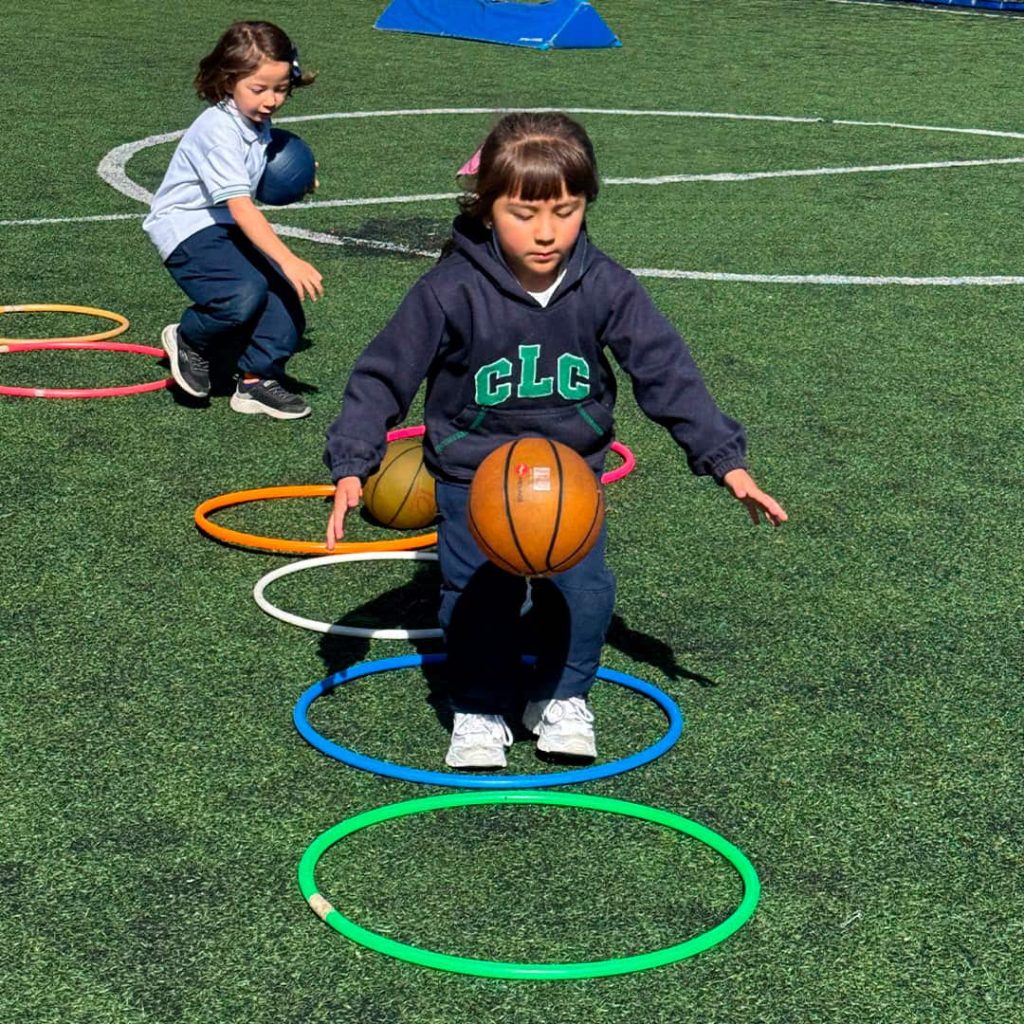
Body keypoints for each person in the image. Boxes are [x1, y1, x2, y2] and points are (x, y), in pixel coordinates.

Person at [322, 112, 787, 769]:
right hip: (473, 476)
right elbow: (381, 377)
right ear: (486, 210)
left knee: (584, 590)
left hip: (571, 476)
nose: (546, 232)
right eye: (523, 213)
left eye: (565, 211)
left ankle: (562, 697)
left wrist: (725, 461)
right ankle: (480, 708)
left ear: (585, 206)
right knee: (477, 595)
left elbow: (666, 371)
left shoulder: (606, 287)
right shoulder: (449, 290)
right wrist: (353, 463)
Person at [143, 20, 323, 420]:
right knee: (242, 293)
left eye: (280, 89)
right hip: (187, 225)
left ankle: (256, 381)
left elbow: (252, 182)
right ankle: (189, 338)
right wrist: (289, 259)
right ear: (227, 82)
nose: (272, 100)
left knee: (283, 301)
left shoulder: (257, 123)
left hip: (224, 224)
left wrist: (297, 180)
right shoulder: (217, 129)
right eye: (259, 89)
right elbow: (242, 207)